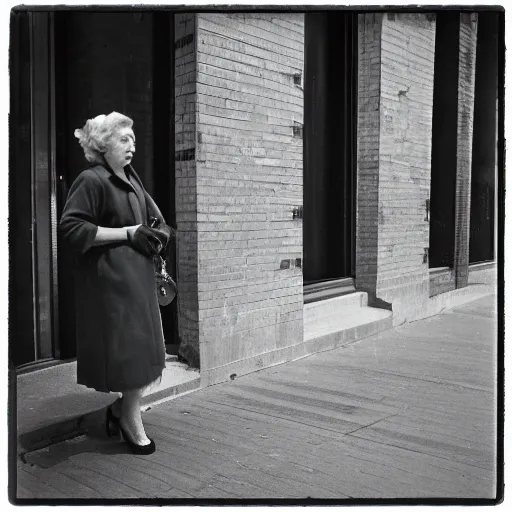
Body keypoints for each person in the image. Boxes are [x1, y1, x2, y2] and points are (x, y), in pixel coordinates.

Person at [59, 112, 172, 455]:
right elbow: (71, 228)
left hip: (138, 278)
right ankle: (129, 419)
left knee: (144, 351)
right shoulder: (91, 180)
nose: (131, 146)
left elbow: (152, 218)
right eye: (124, 139)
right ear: (102, 144)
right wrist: (127, 232)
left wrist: (158, 232)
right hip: (111, 283)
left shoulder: (130, 177)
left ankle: (122, 411)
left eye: (132, 139)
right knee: (129, 352)